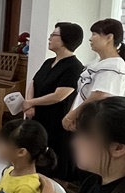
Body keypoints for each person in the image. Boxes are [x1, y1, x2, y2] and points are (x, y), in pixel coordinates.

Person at [23, 22, 84, 179]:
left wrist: (32, 102)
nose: (49, 38)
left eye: (54, 35)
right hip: (37, 116)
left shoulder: (74, 66)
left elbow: (59, 95)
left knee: (55, 164)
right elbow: (33, 83)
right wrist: (29, 104)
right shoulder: (48, 62)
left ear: (65, 40)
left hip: (56, 121)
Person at [63, 18, 125, 132]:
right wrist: (73, 114)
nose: (90, 39)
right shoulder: (97, 62)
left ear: (109, 37)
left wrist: (72, 115)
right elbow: (81, 93)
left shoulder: (114, 66)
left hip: (97, 123)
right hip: (84, 120)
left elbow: (99, 95)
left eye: (94, 34)